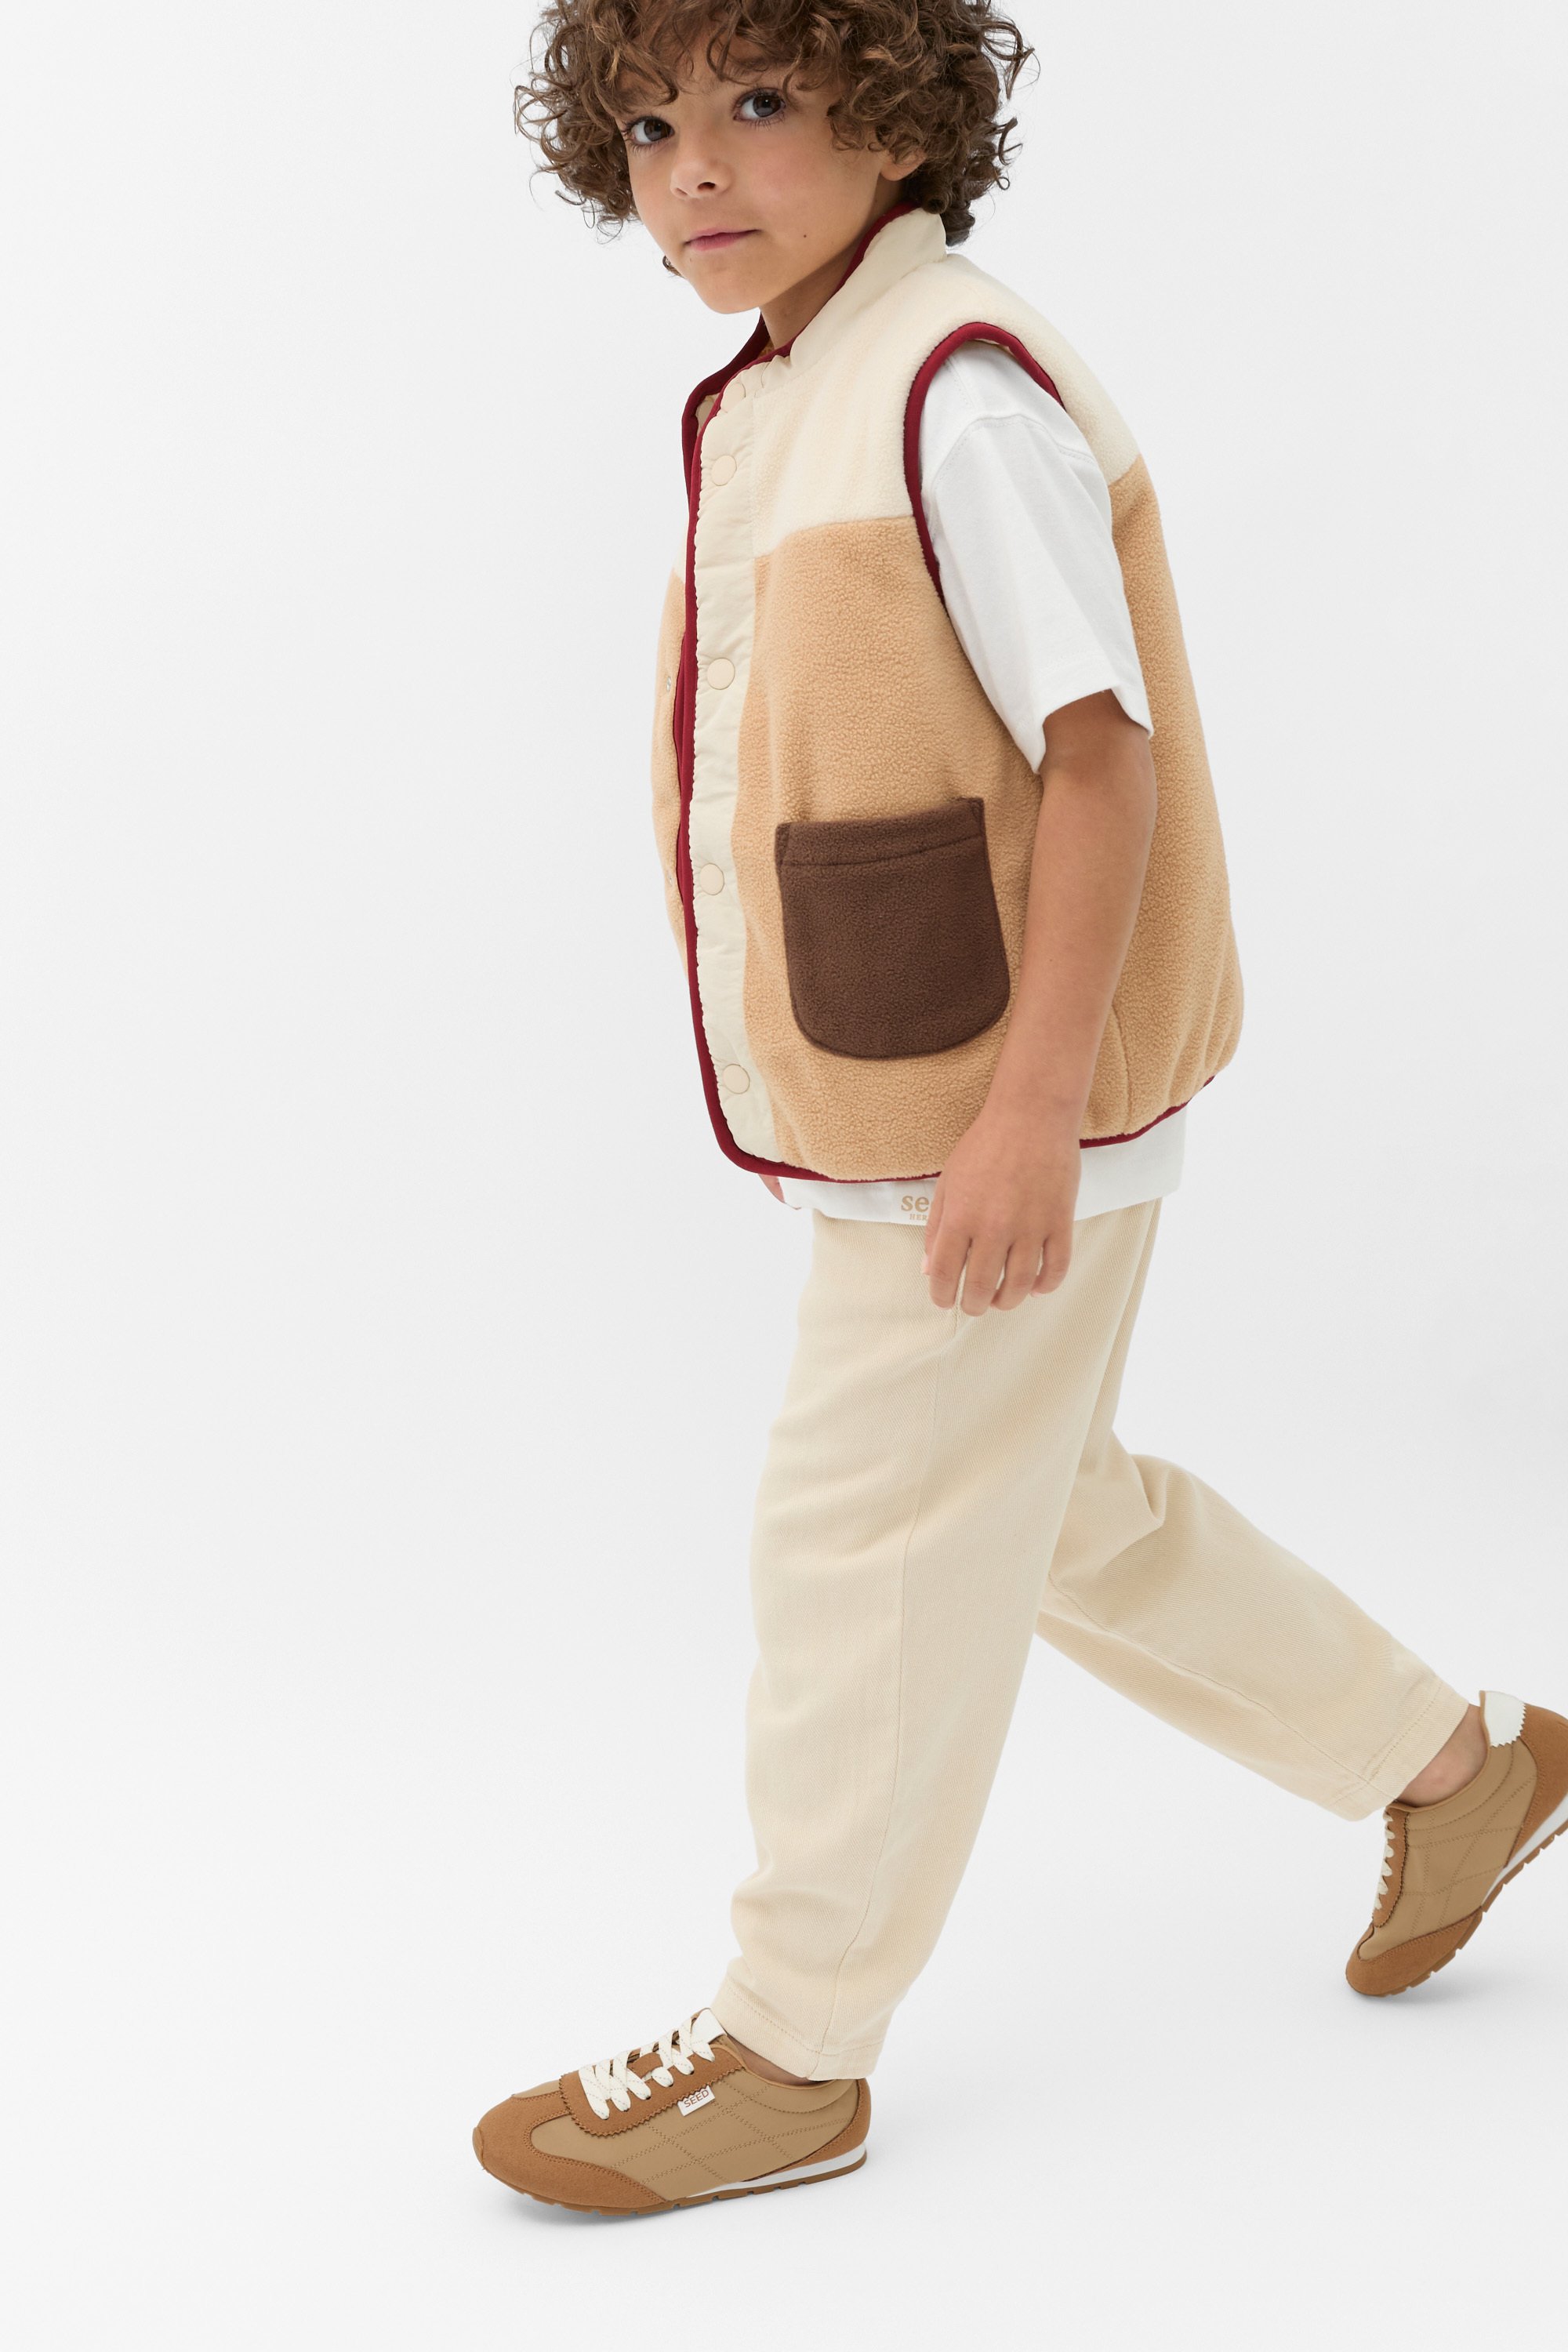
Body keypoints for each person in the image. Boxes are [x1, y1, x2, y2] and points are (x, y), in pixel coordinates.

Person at [473, 0, 1567, 2216]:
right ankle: (1453, 1772)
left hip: (993, 1101)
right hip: (938, 1080)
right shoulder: (809, 379)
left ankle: (792, 2046)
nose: (697, 166)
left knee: (857, 1543)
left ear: (898, 113)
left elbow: (1103, 754)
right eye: (652, 125)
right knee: (1050, 1514)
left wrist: (1030, 1113)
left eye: (759, 102)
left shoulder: (954, 392)